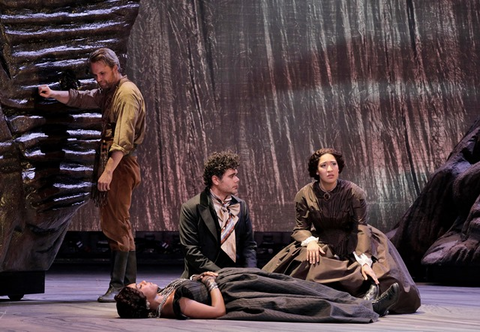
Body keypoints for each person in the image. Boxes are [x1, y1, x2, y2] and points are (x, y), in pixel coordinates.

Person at [38, 48, 146, 302]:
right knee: (116, 223)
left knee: (117, 224)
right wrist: (54, 93)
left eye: (103, 73)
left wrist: (108, 171)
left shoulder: (127, 94)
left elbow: (123, 139)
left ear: (115, 68)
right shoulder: (110, 92)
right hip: (113, 164)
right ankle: (124, 285)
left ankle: (122, 285)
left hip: (120, 165)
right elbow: (84, 98)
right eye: (96, 74)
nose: (99, 79)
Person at [262, 148, 421, 314]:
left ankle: (374, 298)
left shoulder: (354, 192)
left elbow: (361, 227)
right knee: (308, 266)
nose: (330, 169)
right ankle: (362, 295)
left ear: (339, 167)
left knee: (383, 274)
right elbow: (300, 228)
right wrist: (310, 242)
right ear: (316, 171)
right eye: (324, 165)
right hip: (322, 241)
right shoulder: (304, 194)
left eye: (333, 164)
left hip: (354, 239)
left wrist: (364, 261)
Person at [115, 268, 400, 322]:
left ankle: (361, 301)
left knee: (298, 285)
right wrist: (210, 283)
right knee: (302, 301)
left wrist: (199, 278)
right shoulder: (172, 306)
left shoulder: (165, 296)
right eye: (139, 288)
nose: (143, 283)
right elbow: (217, 311)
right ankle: (368, 308)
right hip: (237, 295)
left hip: (235, 281)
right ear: (144, 302)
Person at [178, 151, 257, 278]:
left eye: (236, 175)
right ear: (215, 180)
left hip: (237, 276)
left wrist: (250, 273)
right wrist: (221, 275)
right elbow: (191, 251)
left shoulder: (241, 206)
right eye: (231, 176)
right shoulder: (192, 208)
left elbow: (249, 246)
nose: (237, 179)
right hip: (204, 275)